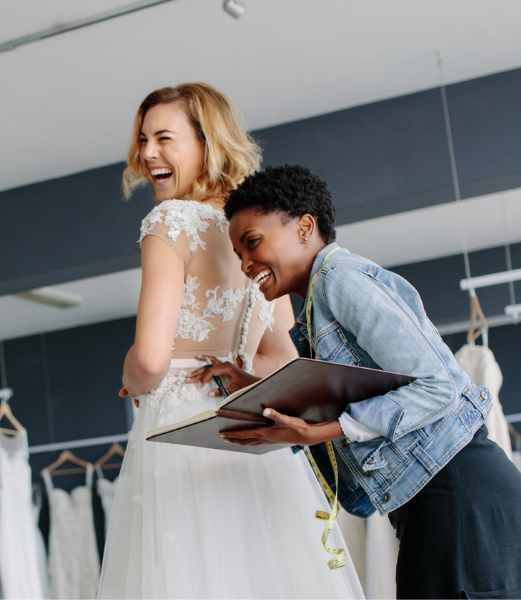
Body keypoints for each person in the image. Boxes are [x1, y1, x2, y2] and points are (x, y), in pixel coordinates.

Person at [215, 164, 521, 598]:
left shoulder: (339, 279)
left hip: (459, 490)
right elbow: (351, 394)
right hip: (444, 496)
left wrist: (319, 432)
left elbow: (437, 386)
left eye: (252, 243)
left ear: (306, 227)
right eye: (239, 255)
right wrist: (252, 386)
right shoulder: (315, 310)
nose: (246, 264)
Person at [98, 83, 365, 598]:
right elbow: (282, 359)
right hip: (241, 433)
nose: (147, 153)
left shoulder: (169, 222)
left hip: (178, 434)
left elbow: (151, 362)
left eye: (164, 138)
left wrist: (131, 375)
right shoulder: (252, 230)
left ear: (206, 143)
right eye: (143, 139)